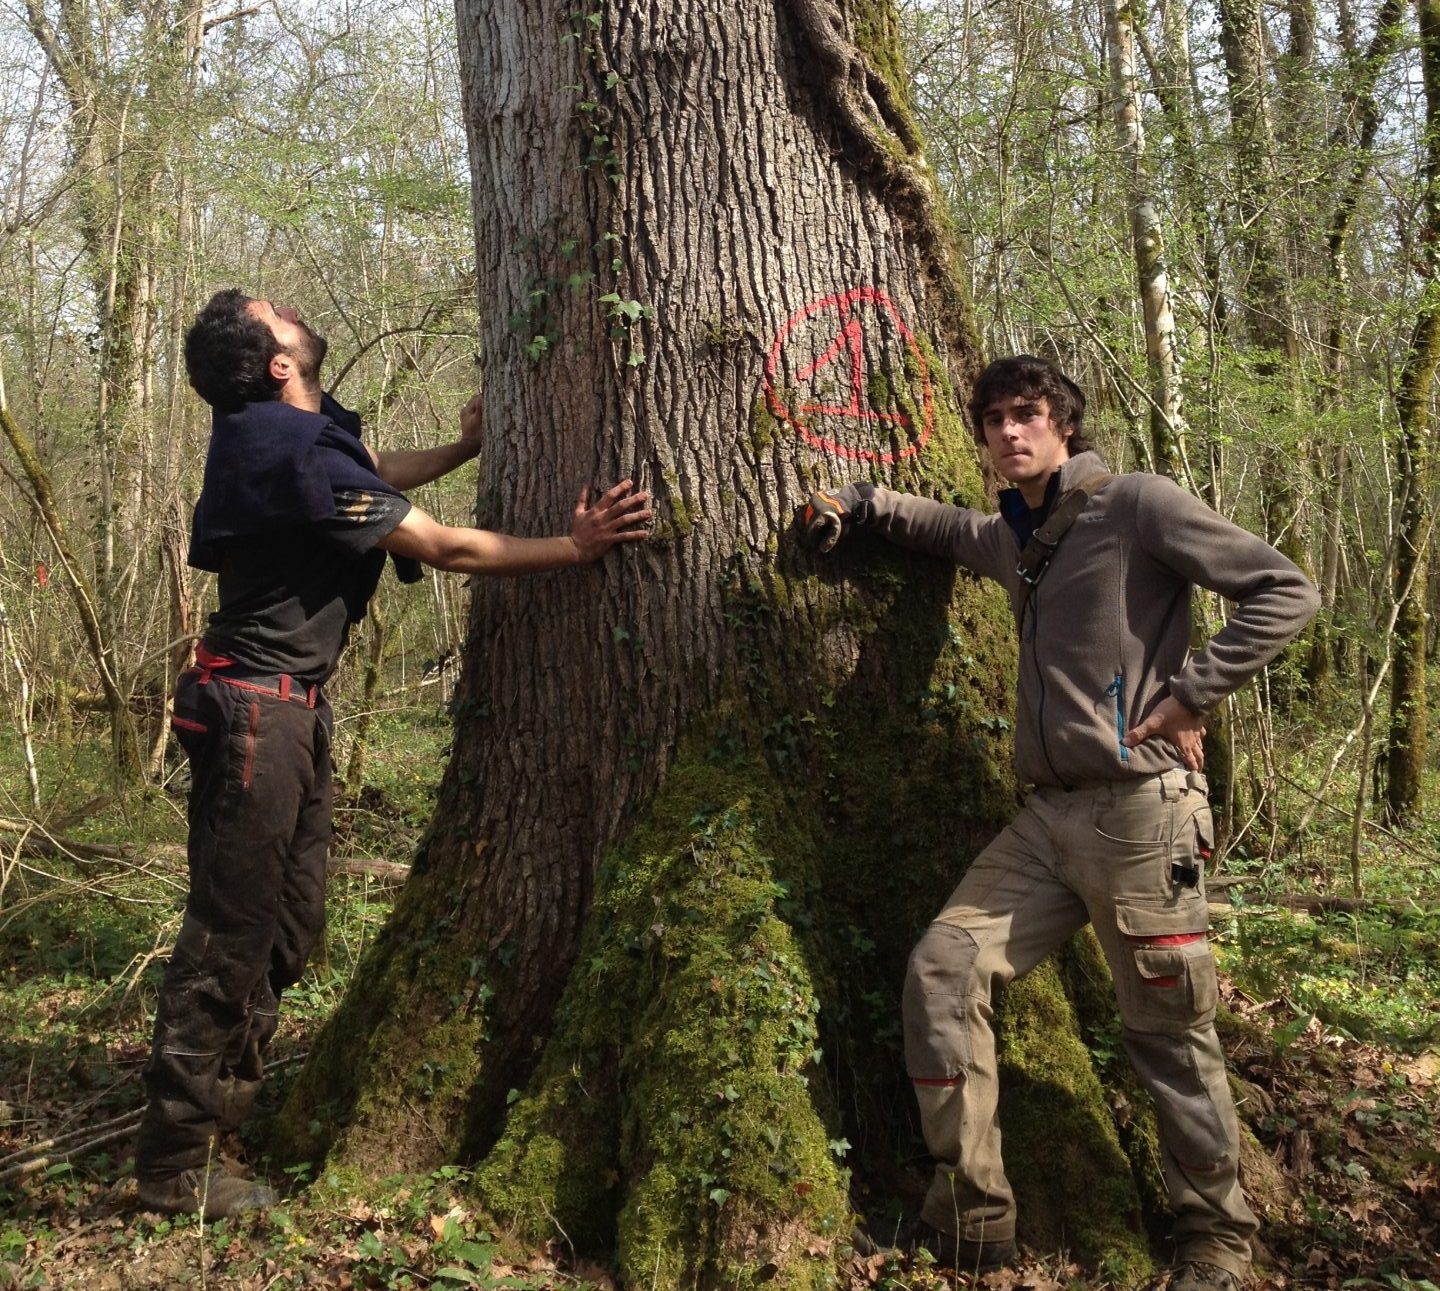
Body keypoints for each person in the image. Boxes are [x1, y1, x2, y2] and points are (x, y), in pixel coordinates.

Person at [804, 355, 1318, 1291]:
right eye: (995, 418)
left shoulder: (1136, 504)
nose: (1011, 431)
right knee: (943, 966)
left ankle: (1217, 1238)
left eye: (1029, 414)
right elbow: (945, 528)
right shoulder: (1016, 537)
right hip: (1045, 822)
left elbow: (1286, 591)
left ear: (1065, 424)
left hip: (1142, 817)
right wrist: (861, 499)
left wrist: (1190, 695)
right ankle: (975, 1216)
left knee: (1168, 1034)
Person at [134, 288, 650, 1218]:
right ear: (278, 361)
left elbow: (371, 471)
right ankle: (175, 1165)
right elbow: (442, 545)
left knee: (291, 928)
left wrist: (464, 447)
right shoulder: (282, 449)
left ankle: (224, 1114)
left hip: (288, 708)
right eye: (277, 313)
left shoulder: (288, 436)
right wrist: (575, 549)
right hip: (255, 710)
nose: (292, 308)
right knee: (232, 935)